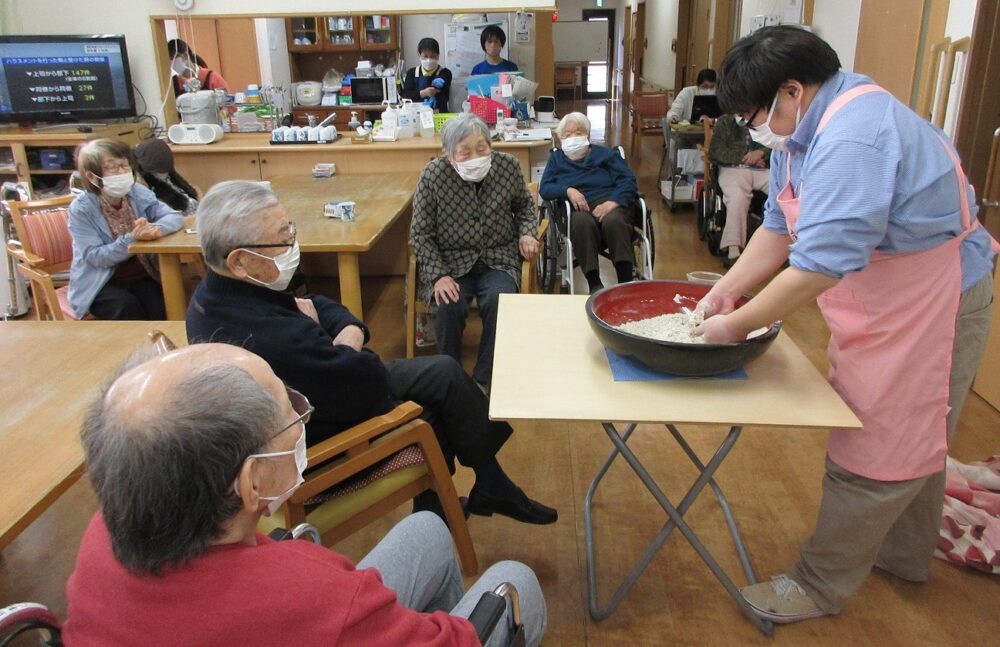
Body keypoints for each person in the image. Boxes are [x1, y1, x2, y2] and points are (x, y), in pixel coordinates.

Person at [695, 25, 998, 624]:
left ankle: (819, 584)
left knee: (879, 444)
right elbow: (781, 226)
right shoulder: (800, 132)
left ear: (792, 91)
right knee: (917, 439)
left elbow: (819, 264)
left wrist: (737, 327)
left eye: (756, 114)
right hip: (883, 296)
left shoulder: (856, 136)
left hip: (932, 301)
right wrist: (727, 290)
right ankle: (902, 555)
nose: (754, 127)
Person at [62, 342, 547, 646]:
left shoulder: (100, 537)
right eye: (290, 414)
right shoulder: (316, 598)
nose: (299, 421)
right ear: (252, 483)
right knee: (513, 578)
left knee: (427, 528)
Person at [186, 181, 556, 525]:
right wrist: (341, 340)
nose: (293, 245)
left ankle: (480, 490)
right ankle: (457, 508)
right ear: (239, 260)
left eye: (291, 230)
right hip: (310, 451)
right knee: (435, 410)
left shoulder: (219, 295)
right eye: (283, 239)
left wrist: (346, 329)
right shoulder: (269, 335)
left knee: (443, 372)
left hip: (316, 397)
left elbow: (314, 304)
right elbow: (364, 381)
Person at [411, 113, 540, 392]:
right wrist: (438, 276)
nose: (475, 157)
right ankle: (452, 376)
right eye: (464, 151)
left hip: (498, 257)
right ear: (448, 155)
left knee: (499, 301)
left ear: (490, 145)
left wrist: (527, 232)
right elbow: (420, 234)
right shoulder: (432, 176)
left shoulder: (507, 166)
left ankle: (482, 378)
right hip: (451, 262)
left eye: (482, 148)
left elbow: (525, 207)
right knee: (448, 306)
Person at [67, 139, 183, 320]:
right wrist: (133, 239)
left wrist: (155, 229)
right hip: (101, 282)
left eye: (124, 166)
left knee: (163, 308)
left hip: (139, 274)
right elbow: (95, 257)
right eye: (112, 168)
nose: (121, 172)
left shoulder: (136, 192)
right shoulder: (81, 209)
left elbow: (173, 216)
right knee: (127, 308)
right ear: (92, 176)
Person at [539, 112, 640, 294]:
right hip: (578, 208)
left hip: (611, 203)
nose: (573, 138)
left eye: (578, 132)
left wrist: (612, 202)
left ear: (588, 134)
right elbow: (545, 188)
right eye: (567, 135)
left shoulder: (607, 155)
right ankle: (594, 284)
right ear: (560, 139)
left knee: (614, 221)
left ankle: (625, 283)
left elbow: (628, 181)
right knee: (580, 222)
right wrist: (567, 190)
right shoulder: (557, 159)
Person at [707, 114, 771, 268]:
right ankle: (733, 250)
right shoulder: (725, 122)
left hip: (763, 169)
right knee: (737, 198)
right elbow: (716, 152)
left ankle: (784, 246)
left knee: (785, 194)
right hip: (733, 168)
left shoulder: (767, 118)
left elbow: (780, 143)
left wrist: (761, 153)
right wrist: (747, 157)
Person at [134, 137, 200, 215]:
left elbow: (194, 190)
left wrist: (198, 196)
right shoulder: (145, 189)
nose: (164, 173)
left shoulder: (170, 175)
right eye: (158, 171)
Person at [400, 37, 452, 113]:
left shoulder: (445, 72)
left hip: (439, 114)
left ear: (438, 56)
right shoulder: (412, 73)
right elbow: (405, 95)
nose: (429, 60)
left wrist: (439, 82)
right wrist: (423, 93)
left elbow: (445, 79)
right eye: (425, 56)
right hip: (417, 114)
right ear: (419, 55)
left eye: (432, 56)